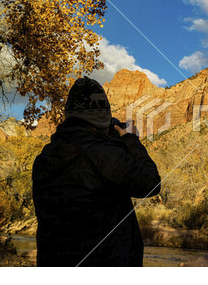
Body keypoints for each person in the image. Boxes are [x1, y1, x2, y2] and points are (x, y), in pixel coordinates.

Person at [32, 76, 161, 267]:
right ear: (103, 115)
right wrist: (131, 140)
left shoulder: (44, 158)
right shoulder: (103, 154)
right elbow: (151, 183)